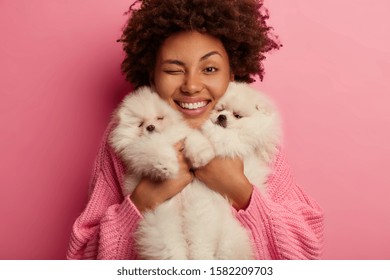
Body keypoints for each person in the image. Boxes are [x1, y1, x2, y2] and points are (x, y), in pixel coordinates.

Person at [67, 0, 324, 260]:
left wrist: (239, 190)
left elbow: (304, 251)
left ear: (232, 73)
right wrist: (142, 201)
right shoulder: (132, 134)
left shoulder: (253, 133)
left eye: (210, 69)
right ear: (152, 75)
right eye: (173, 70)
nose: (191, 85)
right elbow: (83, 255)